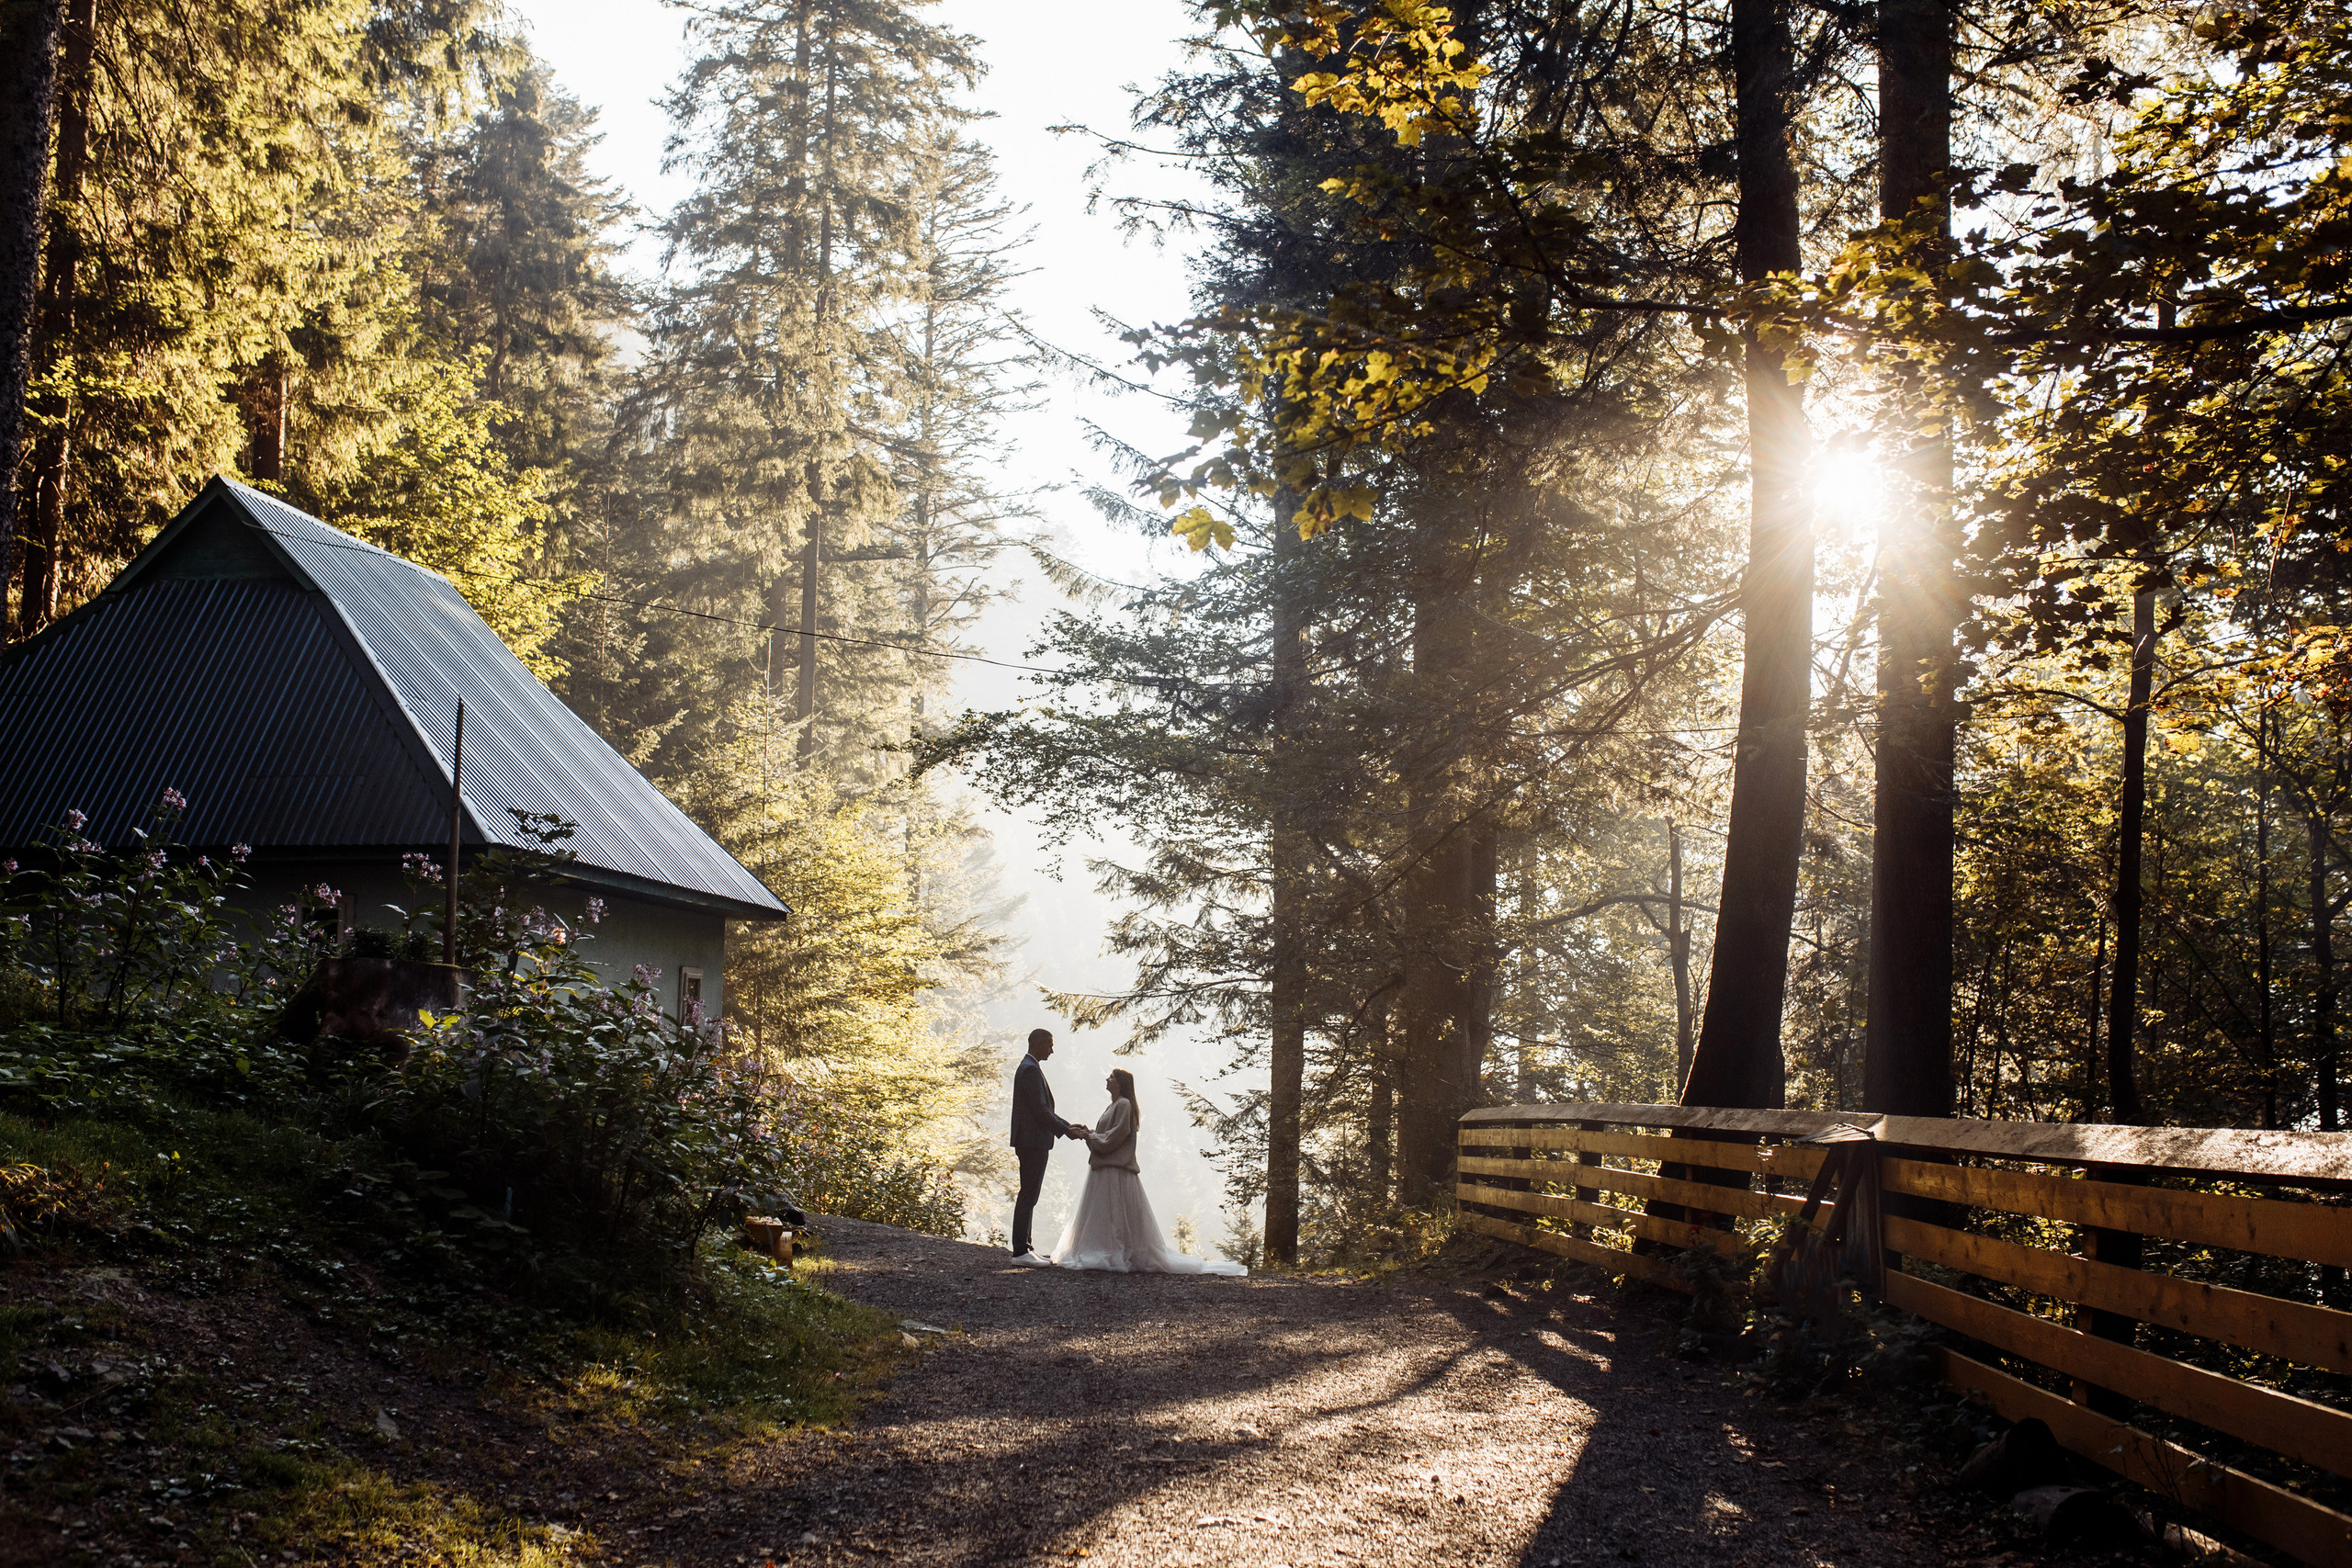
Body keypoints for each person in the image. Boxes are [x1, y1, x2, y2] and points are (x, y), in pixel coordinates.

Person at [1051, 1067, 1245, 1275]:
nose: (1107, 1079)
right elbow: (1107, 1136)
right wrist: (1089, 1134)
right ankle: (1107, 1249)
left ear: (1120, 1083)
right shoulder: (1115, 1105)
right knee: (1108, 1214)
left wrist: (1090, 1137)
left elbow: (1115, 1136)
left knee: (1114, 1214)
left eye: (1112, 1077)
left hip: (1115, 1171)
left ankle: (1112, 1251)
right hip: (1106, 1170)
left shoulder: (1124, 1104)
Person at [1008, 1026, 1088, 1264]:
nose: (1052, 1050)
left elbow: (1044, 1110)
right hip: (1032, 1141)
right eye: (1049, 1045)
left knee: (1030, 1194)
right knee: (1028, 1194)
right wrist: (1066, 1131)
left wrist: (1067, 1125)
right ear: (1038, 1044)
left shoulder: (1030, 1067)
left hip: (1032, 1140)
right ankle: (1021, 1251)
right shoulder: (1030, 1070)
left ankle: (1026, 1247)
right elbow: (1040, 1111)